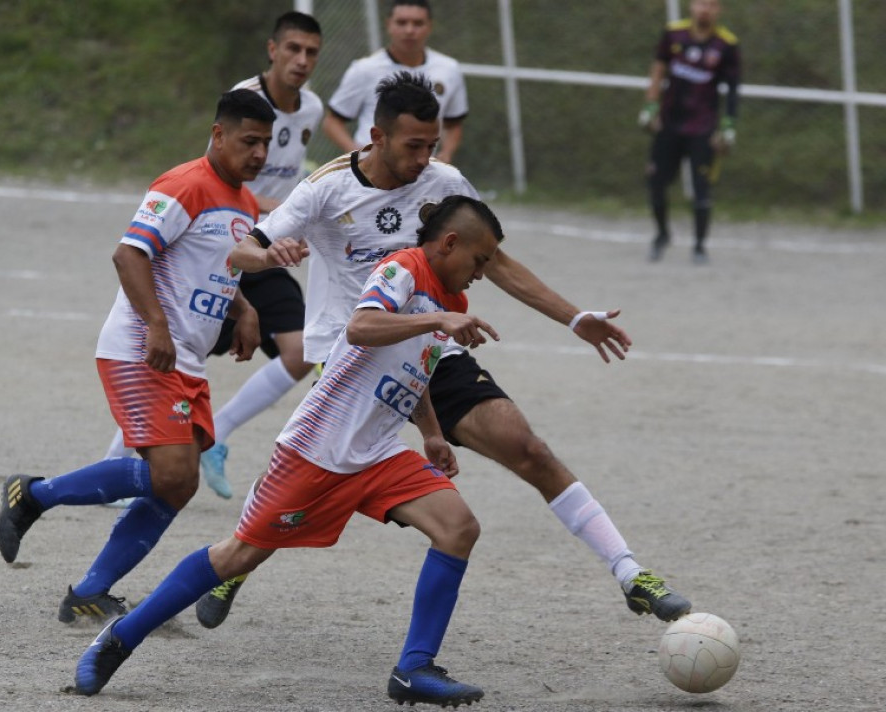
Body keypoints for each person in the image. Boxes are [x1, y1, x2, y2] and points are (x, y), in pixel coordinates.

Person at [197, 71, 691, 630]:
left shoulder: (444, 181)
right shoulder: (325, 188)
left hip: (433, 346)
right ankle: (234, 562)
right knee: (304, 497)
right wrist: (271, 255)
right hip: (354, 355)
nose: (424, 158)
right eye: (413, 146)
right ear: (376, 137)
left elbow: (496, 261)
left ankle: (630, 573)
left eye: (431, 145)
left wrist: (574, 317)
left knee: (527, 447)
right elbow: (242, 253)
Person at [74, 195, 504, 708]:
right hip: (317, 450)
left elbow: (416, 368)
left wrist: (431, 432)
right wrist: (436, 322)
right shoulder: (403, 269)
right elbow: (362, 327)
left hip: (378, 451)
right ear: (449, 243)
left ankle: (414, 668)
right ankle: (122, 636)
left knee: (458, 528)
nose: (482, 273)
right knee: (238, 555)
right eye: (480, 260)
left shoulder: (450, 303)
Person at [0, 89, 304, 624]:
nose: (258, 154)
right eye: (248, 142)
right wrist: (157, 325)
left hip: (186, 359)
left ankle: (90, 590)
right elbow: (129, 253)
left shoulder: (244, 203)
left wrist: (246, 307)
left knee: (179, 484)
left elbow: (217, 266)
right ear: (218, 135)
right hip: (142, 350)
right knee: (172, 472)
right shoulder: (183, 184)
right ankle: (34, 495)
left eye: (265, 145)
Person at [102, 11, 324, 501]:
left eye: (311, 52)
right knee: (174, 355)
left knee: (301, 350)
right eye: (293, 49)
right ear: (272, 50)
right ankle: (114, 465)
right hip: (218, 248)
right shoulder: (243, 101)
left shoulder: (311, 110)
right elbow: (218, 186)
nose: (302, 61)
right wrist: (287, 211)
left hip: (262, 247)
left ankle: (215, 439)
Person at [639, 0, 741, 264]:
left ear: (719, 9)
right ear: (691, 6)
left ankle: (699, 246)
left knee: (701, 189)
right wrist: (651, 106)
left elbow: (731, 89)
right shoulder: (673, 34)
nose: (704, 9)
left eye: (711, 4)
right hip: (670, 123)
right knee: (657, 183)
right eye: (700, 3)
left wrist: (728, 125)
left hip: (703, 128)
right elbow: (658, 69)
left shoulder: (726, 44)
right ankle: (662, 235)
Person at [322, 0, 467, 164]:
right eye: (402, 22)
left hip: (422, 171)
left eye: (418, 23)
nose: (409, 30)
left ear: (430, 26)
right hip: (372, 176)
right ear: (388, 24)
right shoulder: (364, 69)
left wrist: (446, 153)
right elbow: (332, 121)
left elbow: (454, 123)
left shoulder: (449, 69)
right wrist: (359, 155)